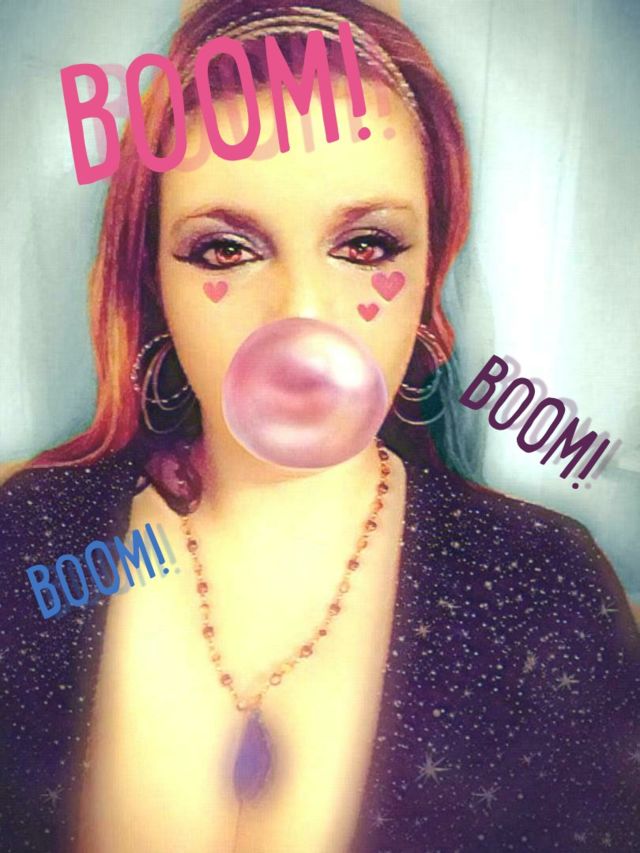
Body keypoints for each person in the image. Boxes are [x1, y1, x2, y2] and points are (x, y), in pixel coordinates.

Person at [1, 1, 639, 851]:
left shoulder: (545, 589)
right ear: (153, 279)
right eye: (226, 249)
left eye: (367, 244)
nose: (301, 313)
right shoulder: (33, 546)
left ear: (430, 271)